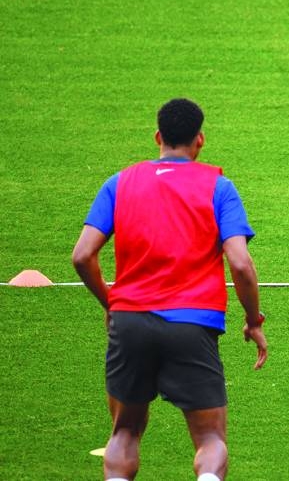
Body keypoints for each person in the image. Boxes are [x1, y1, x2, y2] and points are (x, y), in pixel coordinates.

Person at [72, 98, 268, 481]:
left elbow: (82, 256)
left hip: (129, 321)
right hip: (192, 324)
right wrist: (253, 319)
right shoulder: (219, 187)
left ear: (158, 137)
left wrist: (110, 303)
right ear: (200, 140)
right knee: (210, 438)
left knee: (125, 432)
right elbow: (241, 263)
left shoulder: (119, 182)